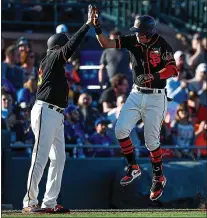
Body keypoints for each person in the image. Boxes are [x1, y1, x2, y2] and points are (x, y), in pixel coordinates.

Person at [93, 11, 177, 200]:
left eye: (140, 31)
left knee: (151, 141)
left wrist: (154, 76)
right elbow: (107, 44)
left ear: (148, 32)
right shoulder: (132, 40)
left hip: (157, 96)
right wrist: (97, 27)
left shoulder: (162, 44)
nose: (137, 34)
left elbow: (173, 69)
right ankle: (133, 166)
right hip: (137, 92)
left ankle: (158, 177)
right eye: (136, 31)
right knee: (120, 130)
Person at [22, 5, 95, 214]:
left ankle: (49, 202)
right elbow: (71, 47)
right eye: (63, 45)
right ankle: (29, 201)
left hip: (55, 113)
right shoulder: (53, 57)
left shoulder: (51, 62)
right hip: (45, 110)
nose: (67, 51)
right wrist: (87, 25)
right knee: (40, 156)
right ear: (57, 46)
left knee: (58, 159)